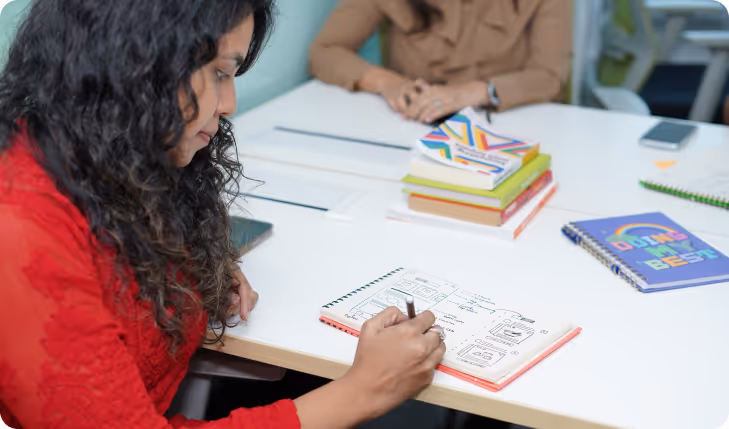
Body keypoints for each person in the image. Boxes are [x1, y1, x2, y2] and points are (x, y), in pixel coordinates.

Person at [0, 1, 446, 428]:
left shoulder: (105, 153)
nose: (229, 103)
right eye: (218, 73)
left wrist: (193, 266)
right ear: (134, 63)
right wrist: (364, 392)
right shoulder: (20, 234)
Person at [309, 0, 572, 123]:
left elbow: (549, 76)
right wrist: (389, 83)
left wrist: (472, 92)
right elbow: (325, 52)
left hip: (512, 125)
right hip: (409, 125)